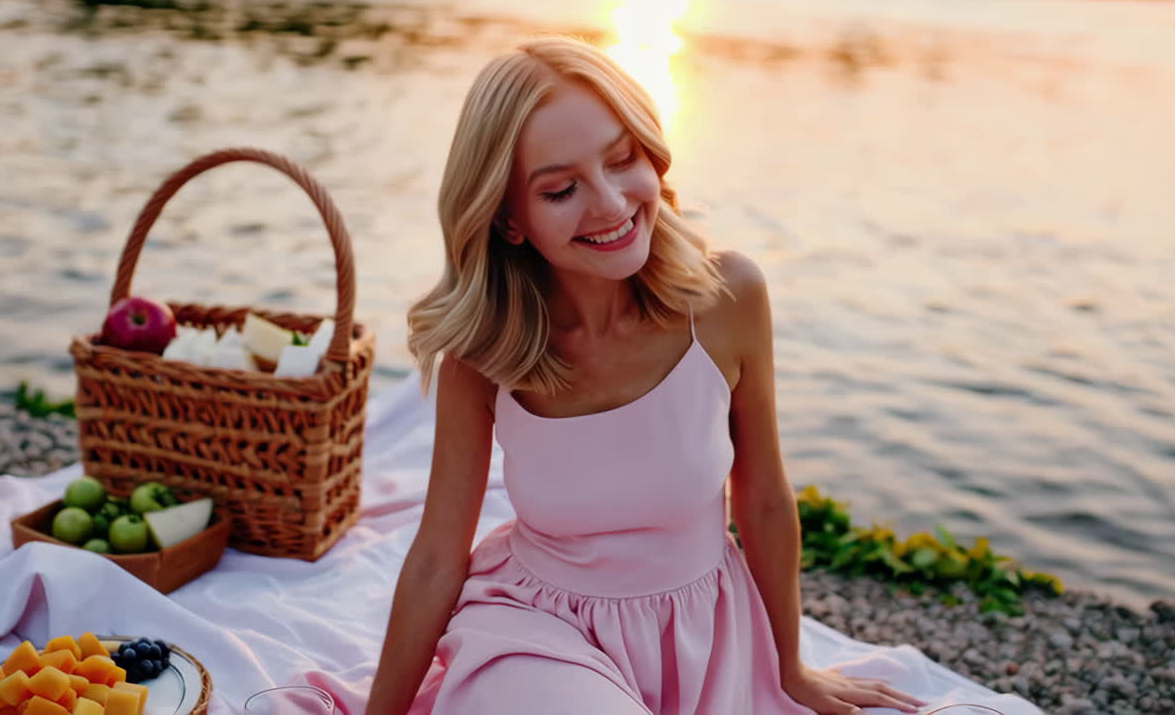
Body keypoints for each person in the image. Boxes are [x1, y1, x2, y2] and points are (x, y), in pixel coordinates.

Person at [365, 35, 930, 715]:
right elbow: (435, 557)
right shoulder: (484, 354)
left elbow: (766, 501)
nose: (608, 204)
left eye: (621, 158)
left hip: (701, 639)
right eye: (561, 188)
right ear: (510, 219)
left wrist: (790, 668)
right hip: (532, 635)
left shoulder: (729, 300)